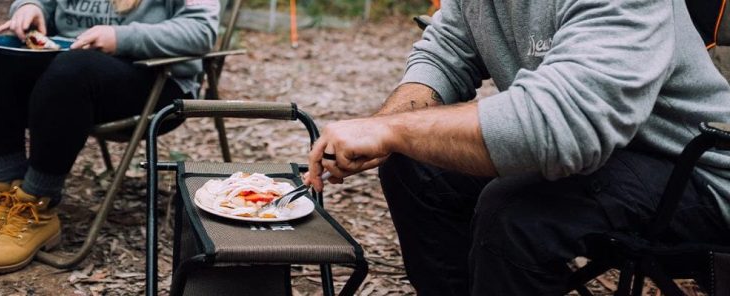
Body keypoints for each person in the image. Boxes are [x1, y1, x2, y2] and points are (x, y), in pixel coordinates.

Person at [305, 0, 730, 294]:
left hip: (696, 170)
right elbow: (445, 52)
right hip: (605, 155)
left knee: (518, 212)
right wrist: (382, 129)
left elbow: (561, 124)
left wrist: (394, 131)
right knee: (416, 168)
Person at [0, 0, 219, 273]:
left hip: (152, 77)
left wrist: (120, 37)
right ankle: (9, 196)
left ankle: (37, 208)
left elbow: (201, 30)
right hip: (64, 66)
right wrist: (31, 8)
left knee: (72, 70)